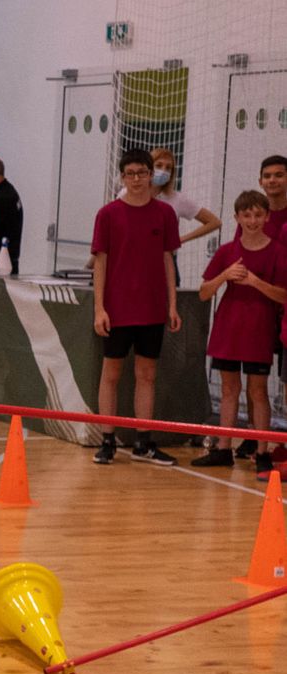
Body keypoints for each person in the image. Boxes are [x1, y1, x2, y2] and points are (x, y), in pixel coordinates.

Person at [91, 148, 182, 466]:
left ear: (151, 175)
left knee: (147, 374)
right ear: (122, 177)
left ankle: (144, 442)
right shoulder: (107, 214)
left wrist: (172, 304)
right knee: (111, 374)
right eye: (130, 174)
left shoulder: (165, 214)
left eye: (142, 173)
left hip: (152, 309)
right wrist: (99, 308)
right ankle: (107, 440)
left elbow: (167, 259)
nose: (137, 179)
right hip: (117, 309)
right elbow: (100, 262)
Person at [190, 190, 287, 478]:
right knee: (229, 389)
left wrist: (256, 283)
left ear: (267, 217)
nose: (252, 220)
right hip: (228, 329)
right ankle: (223, 449)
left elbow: (283, 295)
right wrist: (224, 275)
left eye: (258, 215)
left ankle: (262, 452)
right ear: (237, 218)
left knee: (258, 391)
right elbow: (204, 292)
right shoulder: (227, 252)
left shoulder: (277, 251)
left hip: (259, 330)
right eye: (247, 215)